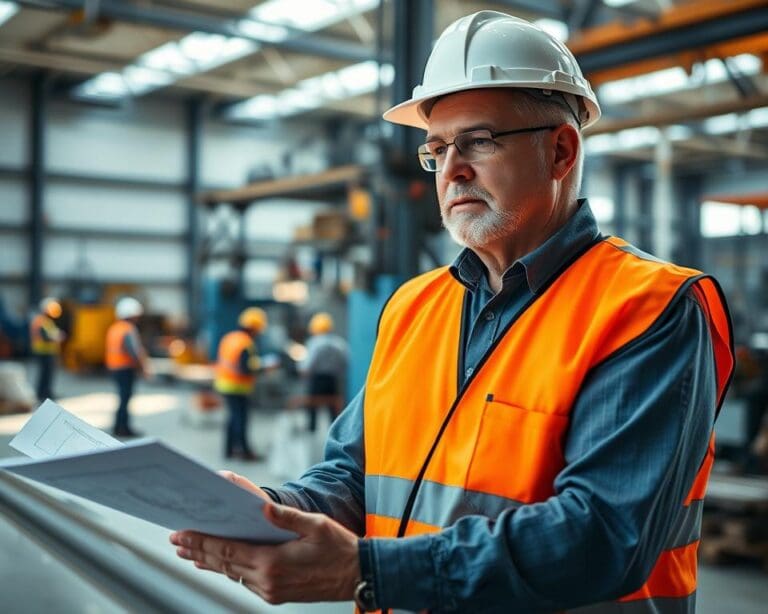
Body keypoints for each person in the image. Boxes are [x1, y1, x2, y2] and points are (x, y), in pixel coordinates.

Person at [170, 12, 734, 613]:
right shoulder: (414, 307)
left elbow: (600, 537)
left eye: (479, 141)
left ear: (561, 150)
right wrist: (271, 511)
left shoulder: (649, 309)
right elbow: (354, 475)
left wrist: (365, 571)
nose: (453, 169)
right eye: (437, 149)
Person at [214, 307, 268, 461]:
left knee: (232, 418)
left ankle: (229, 450)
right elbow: (246, 369)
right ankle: (245, 452)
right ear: (253, 328)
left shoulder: (230, 338)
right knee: (240, 419)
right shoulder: (245, 343)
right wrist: (264, 367)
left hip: (224, 383)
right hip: (238, 386)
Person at [105, 297, 150, 437]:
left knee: (122, 398)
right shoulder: (128, 329)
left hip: (114, 368)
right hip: (125, 369)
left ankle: (118, 426)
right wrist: (143, 368)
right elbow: (134, 352)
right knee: (125, 399)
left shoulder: (114, 328)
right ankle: (123, 428)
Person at [299, 312, 349, 432]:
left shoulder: (314, 343)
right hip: (332, 380)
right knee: (333, 407)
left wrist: (304, 373)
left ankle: (312, 429)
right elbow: (345, 362)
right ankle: (334, 430)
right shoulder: (339, 343)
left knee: (312, 406)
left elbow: (308, 364)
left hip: (317, 380)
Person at [29, 297, 65, 401]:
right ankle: (42, 394)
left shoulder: (46, 321)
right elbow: (45, 336)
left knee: (48, 375)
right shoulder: (40, 321)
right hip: (43, 352)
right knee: (44, 375)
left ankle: (47, 393)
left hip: (48, 352)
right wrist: (57, 336)